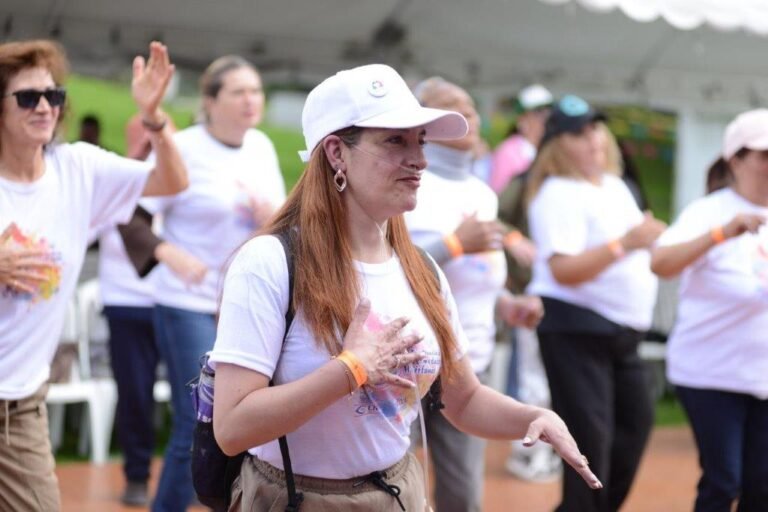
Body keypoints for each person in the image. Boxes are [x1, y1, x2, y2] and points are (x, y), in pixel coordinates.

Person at [209, 63, 602, 511]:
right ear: (336, 152)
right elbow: (232, 428)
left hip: (400, 496)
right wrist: (349, 370)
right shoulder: (269, 262)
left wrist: (535, 416)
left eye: (421, 141)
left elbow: (464, 399)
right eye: (395, 140)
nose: (420, 160)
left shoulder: (423, 269)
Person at [0, 39, 186, 511]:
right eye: (28, 97)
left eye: (53, 95)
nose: (45, 107)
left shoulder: (77, 169)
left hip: (20, 406)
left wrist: (153, 117)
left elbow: (171, 182)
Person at [137, 55, 286, 512]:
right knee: (198, 419)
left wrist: (271, 218)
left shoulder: (261, 146)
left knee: (244, 423)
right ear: (210, 101)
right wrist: (168, 252)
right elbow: (131, 213)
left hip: (244, 304)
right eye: (238, 92)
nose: (251, 100)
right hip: (187, 302)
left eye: (256, 91)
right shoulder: (183, 146)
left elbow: (281, 219)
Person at [405, 76, 544, 512]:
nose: (469, 113)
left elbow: (477, 277)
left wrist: (507, 304)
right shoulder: (408, 182)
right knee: (388, 489)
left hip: (468, 366)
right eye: (452, 106)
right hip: (403, 363)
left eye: (471, 106)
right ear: (422, 122)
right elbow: (385, 268)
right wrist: (454, 244)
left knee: (463, 497)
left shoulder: (483, 193)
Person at [525, 94, 665, 512]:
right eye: (578, 134)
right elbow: (563, 269)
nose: (593, 140)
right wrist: (627, 243)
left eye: (594, 129)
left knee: (633, 431)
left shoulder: (615, 186)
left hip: (621, 332)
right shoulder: (556, 192)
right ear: (557, 145)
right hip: (577, 328)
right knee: (589, 446)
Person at [651, 108, 768, 512]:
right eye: (764, 155)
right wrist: (722, 233)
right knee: (724, 481)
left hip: (762, 374)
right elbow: (661, 263)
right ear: (735, 160)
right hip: (711, 373)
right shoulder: (709, 212)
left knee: (762, 487)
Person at [490, 83, 553, 194]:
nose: (545, 119)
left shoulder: (551, 147)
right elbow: (499, 192)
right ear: (522, 119)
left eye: (549, 113)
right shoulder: (507, 152)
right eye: (538, 114)